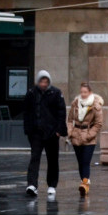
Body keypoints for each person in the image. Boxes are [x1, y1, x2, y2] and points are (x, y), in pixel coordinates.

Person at [22, 71, 67, 199]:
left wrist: (59, 130)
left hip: (52, 133)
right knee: (34, 158)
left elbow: (61, 112)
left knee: (52, 159)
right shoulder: (31, 93)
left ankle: (52, 185)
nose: (43, 84)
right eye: (41, 81)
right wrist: (28, 130)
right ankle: (32, 185)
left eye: (46, 82)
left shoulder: (56, 93)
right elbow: (26, 112)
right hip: (36, 132)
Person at [66, 82, 104, 197]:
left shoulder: (95, 105)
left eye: (85, 92)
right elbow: (69, 120)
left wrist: (89, 135)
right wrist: (70, 132)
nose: (83, 94)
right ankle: (84, 181)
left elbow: (98, 124)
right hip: (76, 136)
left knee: (86, 161)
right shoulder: (75, 103)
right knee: (80, 162)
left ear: (90, 93)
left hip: (89, 138)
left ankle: (85, 183)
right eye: (81, 92)